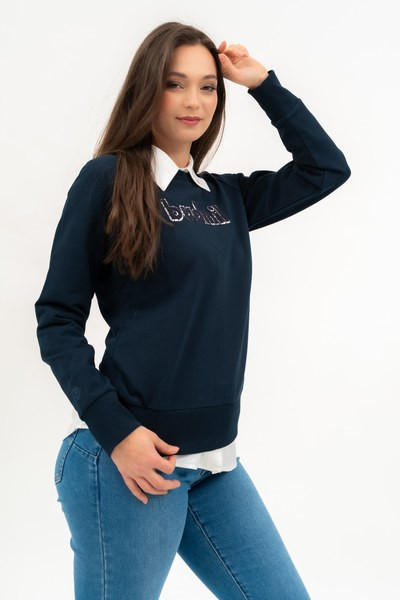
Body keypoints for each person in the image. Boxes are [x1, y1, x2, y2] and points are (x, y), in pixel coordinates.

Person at [34, 20, 350, 600]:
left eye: (208, 87)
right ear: (147, 89)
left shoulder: (226, 198)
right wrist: (118, 432)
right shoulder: (108, 180)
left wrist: (263, 84)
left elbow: (326, 168)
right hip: (131, 463)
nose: (194, 101)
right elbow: (57, 318)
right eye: (176, 84)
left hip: (216, 465)